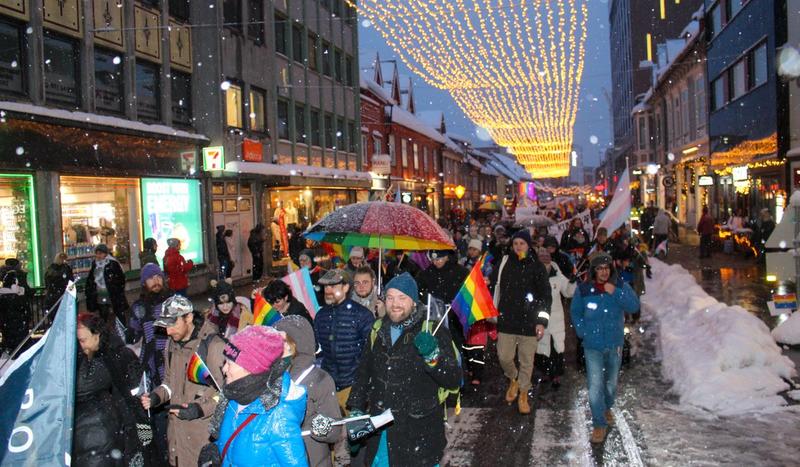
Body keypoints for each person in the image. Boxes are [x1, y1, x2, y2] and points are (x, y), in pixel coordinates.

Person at [347, 273, 462, 466]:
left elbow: (453, 378)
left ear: (414, 302)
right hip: (382, 434)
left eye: (402, 298)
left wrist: (433, 356)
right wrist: (357, 409)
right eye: (390, 297)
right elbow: (363, 373)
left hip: (420, 436)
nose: (395, 304)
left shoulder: (432, 330)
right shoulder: (377, 329)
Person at [196, 325, 308, 466]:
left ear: (251, 368)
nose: (224, 369)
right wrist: (217, 449)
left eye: (229, 363)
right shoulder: (234, 397)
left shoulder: (278, 416)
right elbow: (236, 439)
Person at [141, 295, 226, 466]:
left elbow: (224, 395)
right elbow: (169, 383)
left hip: (202, 438)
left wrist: (199, 409)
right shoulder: (171, 345)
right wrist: (156, 396)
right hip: (177, 437)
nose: (168, 331)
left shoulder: (213, 346)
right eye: (166, 326)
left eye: (173, 324)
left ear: (189, 317)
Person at [570, 252, 640, 444]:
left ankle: (607, 406)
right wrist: (582, 332)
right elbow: (576, 312)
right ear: (594, 271)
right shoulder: (584, 289)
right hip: (592, 345)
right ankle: (598, 424)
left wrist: (615, 291)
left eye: (606, 268)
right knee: (595, 386)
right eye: (599, 269)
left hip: (614, 344)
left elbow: (634, 306)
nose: (603, 272)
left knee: (611, 384)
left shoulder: (620, 286)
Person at [74, 312, 153, 467]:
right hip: (111, 435)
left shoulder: (120, 356)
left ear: (97, 335)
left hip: (129, 430)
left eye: (83, 340)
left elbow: (138, 395)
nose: (81, 346)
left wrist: (143, 427)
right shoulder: (86, 362)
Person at [489, 229, 551, 414]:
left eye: (522, 243)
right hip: (507, 320)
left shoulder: (537, 266)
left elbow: (545, 296)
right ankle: (513, 378)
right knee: (504, 357)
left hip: (529, 322)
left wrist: (541, 321)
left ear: (528, 245)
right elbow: (493, 283)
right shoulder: (504, 263)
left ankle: (523, 392)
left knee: (526, 361)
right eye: (515, 243)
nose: (518, 247)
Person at [276, 315, 343, 467]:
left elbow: (335, 430)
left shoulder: (319, 379)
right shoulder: (272, 377)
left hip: (313, 458)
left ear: (297, 343)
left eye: (282, 341)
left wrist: (312, 421)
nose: (276, 346)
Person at [126, 262, 172, 464]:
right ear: (144, 283)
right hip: (149, 367)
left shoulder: (172, 302)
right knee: (148, 413)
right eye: (151, 278)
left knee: (169, 410)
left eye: (158, 277)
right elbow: (133, 336)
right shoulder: (140, 307)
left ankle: (168, 452)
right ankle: (153, 454)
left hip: (171, 361)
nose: (156, 281)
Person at [313, 269, 375, 413]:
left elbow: (371, 353)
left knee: (353, 426)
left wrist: (362, 386)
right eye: (325, 286)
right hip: (328, 387)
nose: (328, 290)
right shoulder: (321, 316)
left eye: (333, 286)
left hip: (353, 387)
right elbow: (317, 349)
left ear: (346, 287)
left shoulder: (362, 315)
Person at [534, 248, 576, 390]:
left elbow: (568, 292)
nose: (544, 259)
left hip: (556, 318)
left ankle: (556, 375)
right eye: (541, 257)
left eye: (547, 257)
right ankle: (545, 373)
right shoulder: (533, 274)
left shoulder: (557, 275)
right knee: (541, 347)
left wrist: (572, 282)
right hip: (539, 317)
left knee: (556, 347)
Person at [416, 249, 470, 347]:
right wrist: (425, 298)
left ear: (446, 257)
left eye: (438, 259)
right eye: (433, 260)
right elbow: (419, 289)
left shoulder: (460, 272)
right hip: (434, 315)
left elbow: (467, 292)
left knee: (454, 344)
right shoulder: (427, 272)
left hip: (454, 316)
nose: (435, 262)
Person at [85, 244, 128, 324]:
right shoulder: (95, 264)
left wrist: (116, 289)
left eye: (100, 253)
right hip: (100, 294)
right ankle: (105, 328)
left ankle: (121, 328)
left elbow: (120, 279)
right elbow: (91, 279)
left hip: (112, 294)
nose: (98, 256)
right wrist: (90, 291)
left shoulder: (112, 263)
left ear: (105, 254)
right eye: (97, 253)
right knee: (103, 314)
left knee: (118, 313)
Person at [0, 265, 31, 356]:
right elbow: (25, 310)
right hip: (19, 325)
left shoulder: (3, 297)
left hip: (9, 327)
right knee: (20, 345)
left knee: (12, 342)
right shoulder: (19, 297)